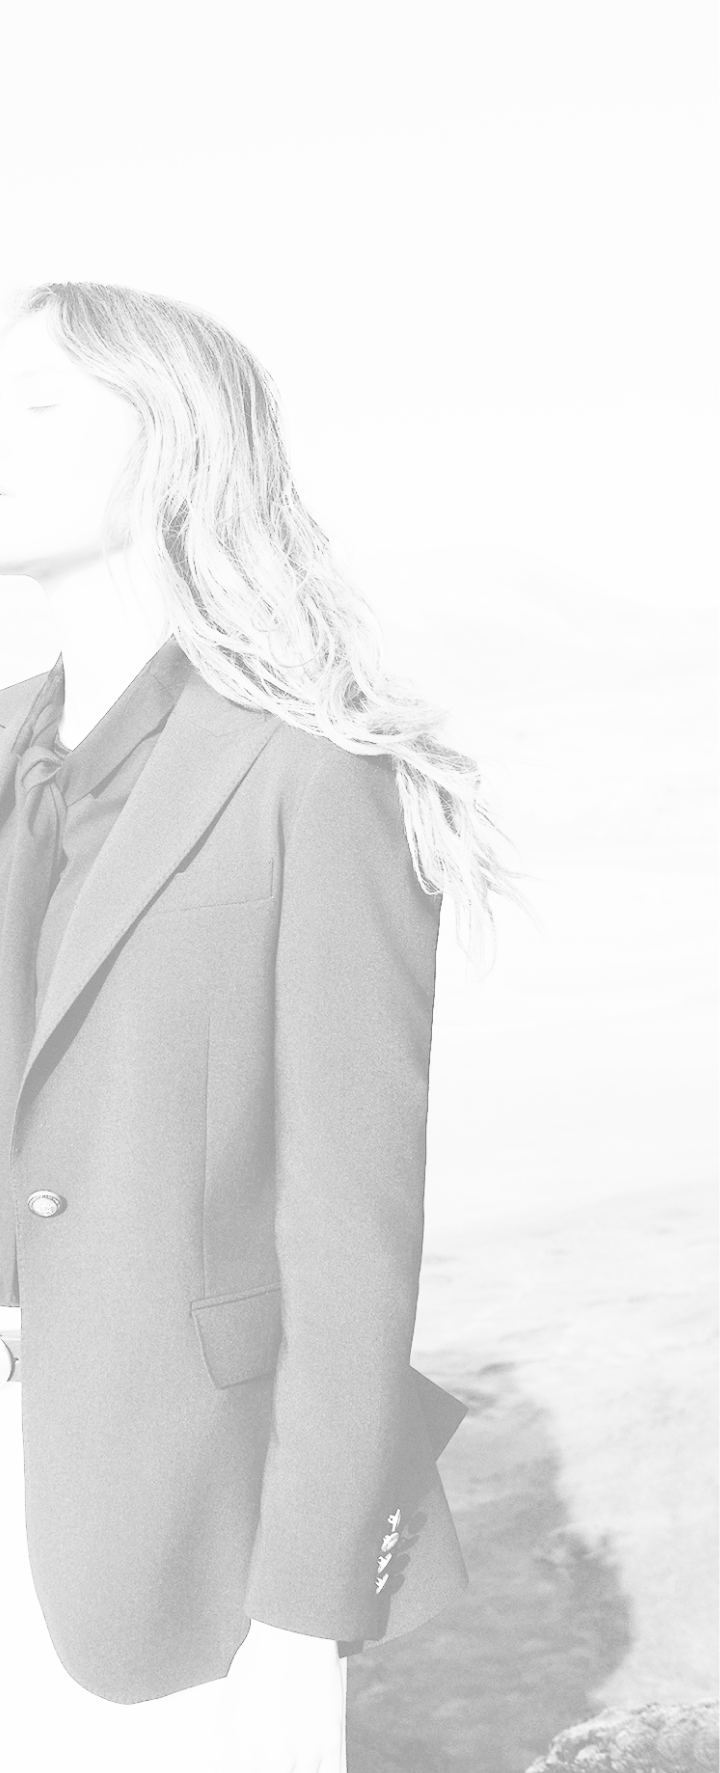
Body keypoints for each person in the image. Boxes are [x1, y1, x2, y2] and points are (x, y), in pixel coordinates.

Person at [0, 282, 532, 1773]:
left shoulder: (314, 774)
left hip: (190, 1527)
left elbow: (351, 1235)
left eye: (37, 405)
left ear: (172, 444)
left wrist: (306, 1600)